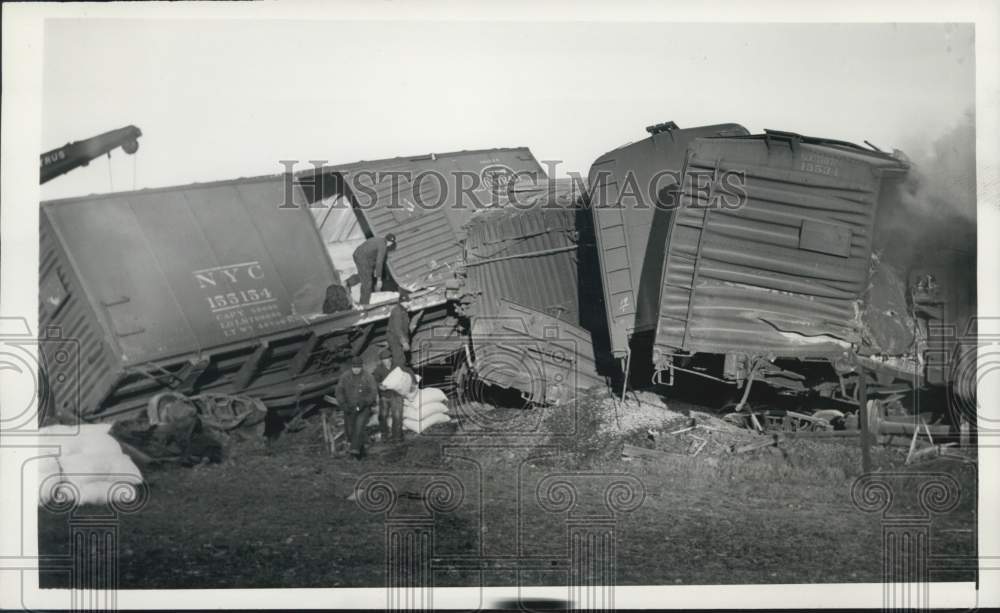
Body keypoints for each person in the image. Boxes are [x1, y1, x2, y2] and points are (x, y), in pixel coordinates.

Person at [334, 356, 379, 460]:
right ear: (351, 367)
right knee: (350, 431)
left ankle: (353, 453)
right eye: (354, 367)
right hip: (349, 407)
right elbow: (339, 391)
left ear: (362, 367)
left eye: (358, 367)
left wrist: (365, 402)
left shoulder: (368, 377)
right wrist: (343, 404)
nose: (356, 370)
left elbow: (373, 392)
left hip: (363, 408)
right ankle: (361, 452)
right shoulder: (345, 377)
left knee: (358, 428)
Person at [372, 348, 413, 444]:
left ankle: (397, 437)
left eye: (387, 359)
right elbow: (374, 381)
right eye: (383, 360)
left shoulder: (397, 366)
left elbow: (408, 371)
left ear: (391, 358)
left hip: (396, 395)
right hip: (384, 396)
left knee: (397, 416)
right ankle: (384, 435)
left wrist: (412, 381)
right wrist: (379, 386)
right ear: (381, 361)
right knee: (383, 416)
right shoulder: (379, 369)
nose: (386, 362)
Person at [352, 233, 397, 305]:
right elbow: (379, 262)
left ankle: (348, 282)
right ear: (390, 243)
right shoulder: (383, 246)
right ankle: (364, 305)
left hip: (357, 253)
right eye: (391, 244)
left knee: (365, 273)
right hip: (362, 258)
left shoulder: (378, 239)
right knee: (367, 283)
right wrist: (379, 279)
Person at [386, 295, 411, 367]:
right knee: (399, 358)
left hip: (397, 337)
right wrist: (404, 342)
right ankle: (398, 373)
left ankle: (401, 372)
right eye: (407, 302)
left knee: (401, 358)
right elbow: (398, 329)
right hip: (394, 337)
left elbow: (404, 328)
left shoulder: (403, 311)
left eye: (408, 301)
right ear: (401, 303)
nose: (408, 303)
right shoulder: (397, 311)